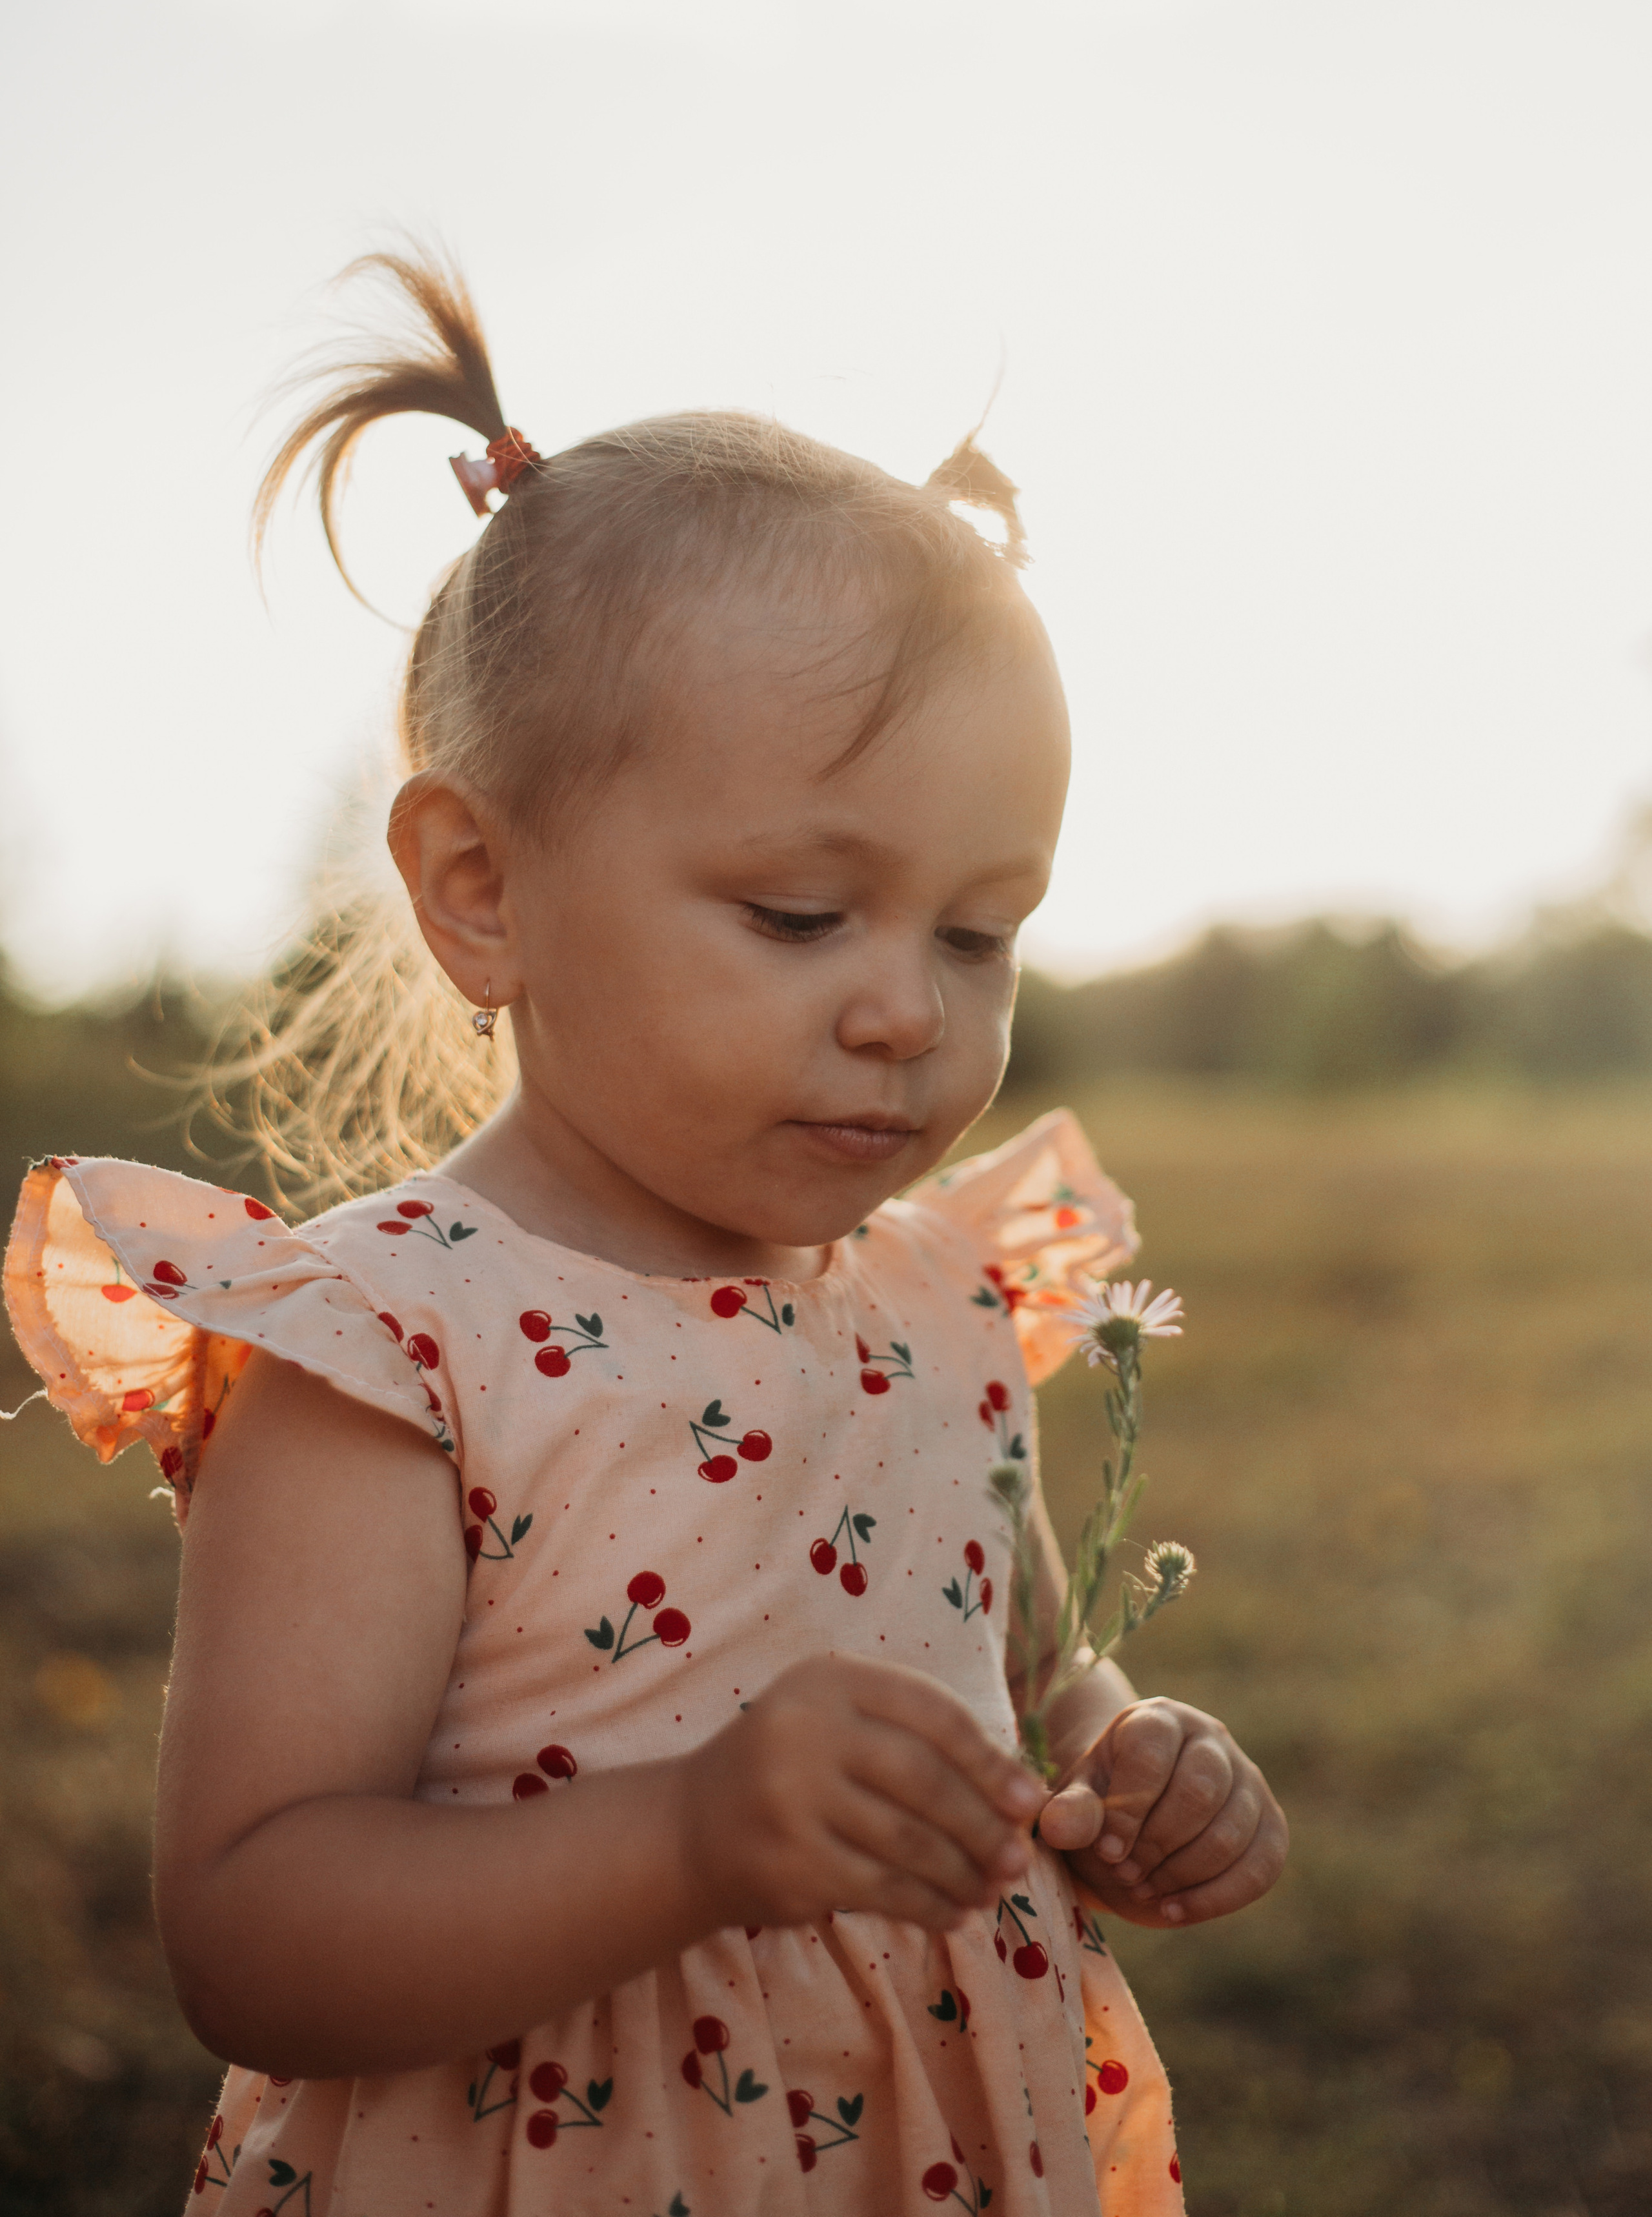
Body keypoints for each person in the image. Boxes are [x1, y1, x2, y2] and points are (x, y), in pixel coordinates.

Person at [3, 248, 1286, 2216]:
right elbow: (252, 1936)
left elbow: (1031, 1687)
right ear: (482, 887)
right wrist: (695, 1843)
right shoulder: (397, 1351)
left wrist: (1132, 1763)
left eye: (979, 931)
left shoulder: (946, 1296)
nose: (907, 1009)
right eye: (800, 916)